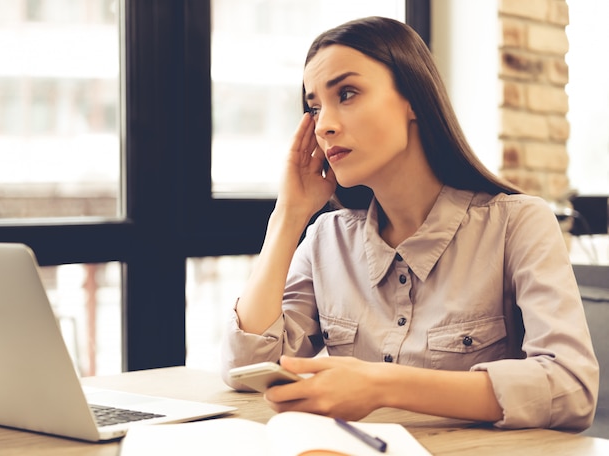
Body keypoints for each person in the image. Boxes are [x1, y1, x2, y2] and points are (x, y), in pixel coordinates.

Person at [221, 16, 598, 430]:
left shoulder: (518, 223)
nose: (324, 124)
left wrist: (384, 385)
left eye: (347, 93)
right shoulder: (326, 240)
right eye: (313, 107)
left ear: (413, 100)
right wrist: (287, 217)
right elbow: (246, 366)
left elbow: (571, 388)